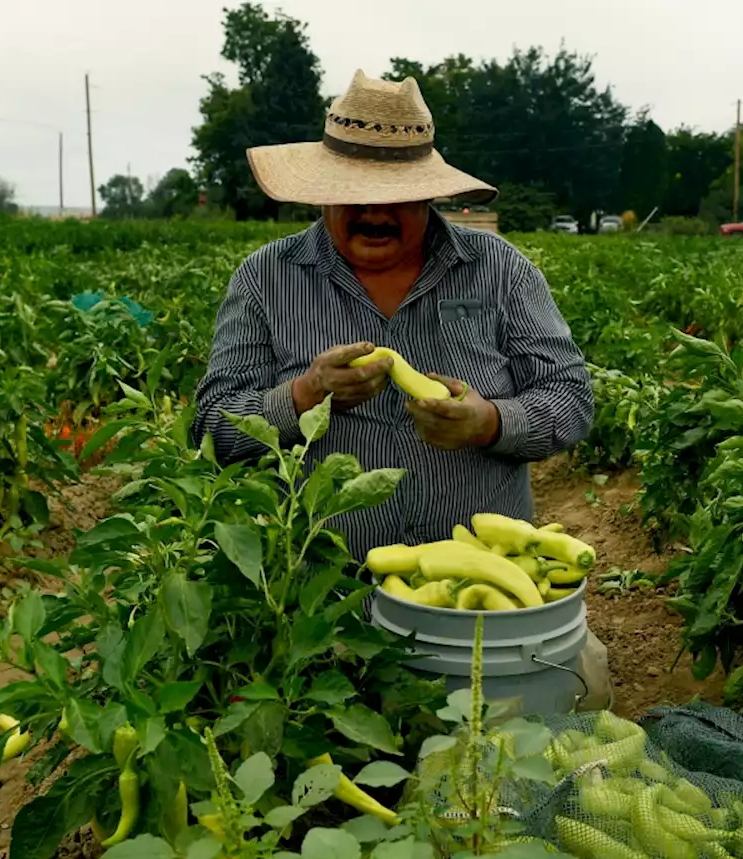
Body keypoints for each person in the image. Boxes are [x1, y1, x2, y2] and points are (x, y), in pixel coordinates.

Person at [193, 69, 594, 561]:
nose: (372, 212)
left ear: (429, 193)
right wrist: (306, 394)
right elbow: (212, 427)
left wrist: (488, 422)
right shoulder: (265, 279)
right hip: (325, 594)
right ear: (323, 193)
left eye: (395, 197)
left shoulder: (499, 269)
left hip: (480, 581)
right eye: (351, 195)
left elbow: (570, 397)